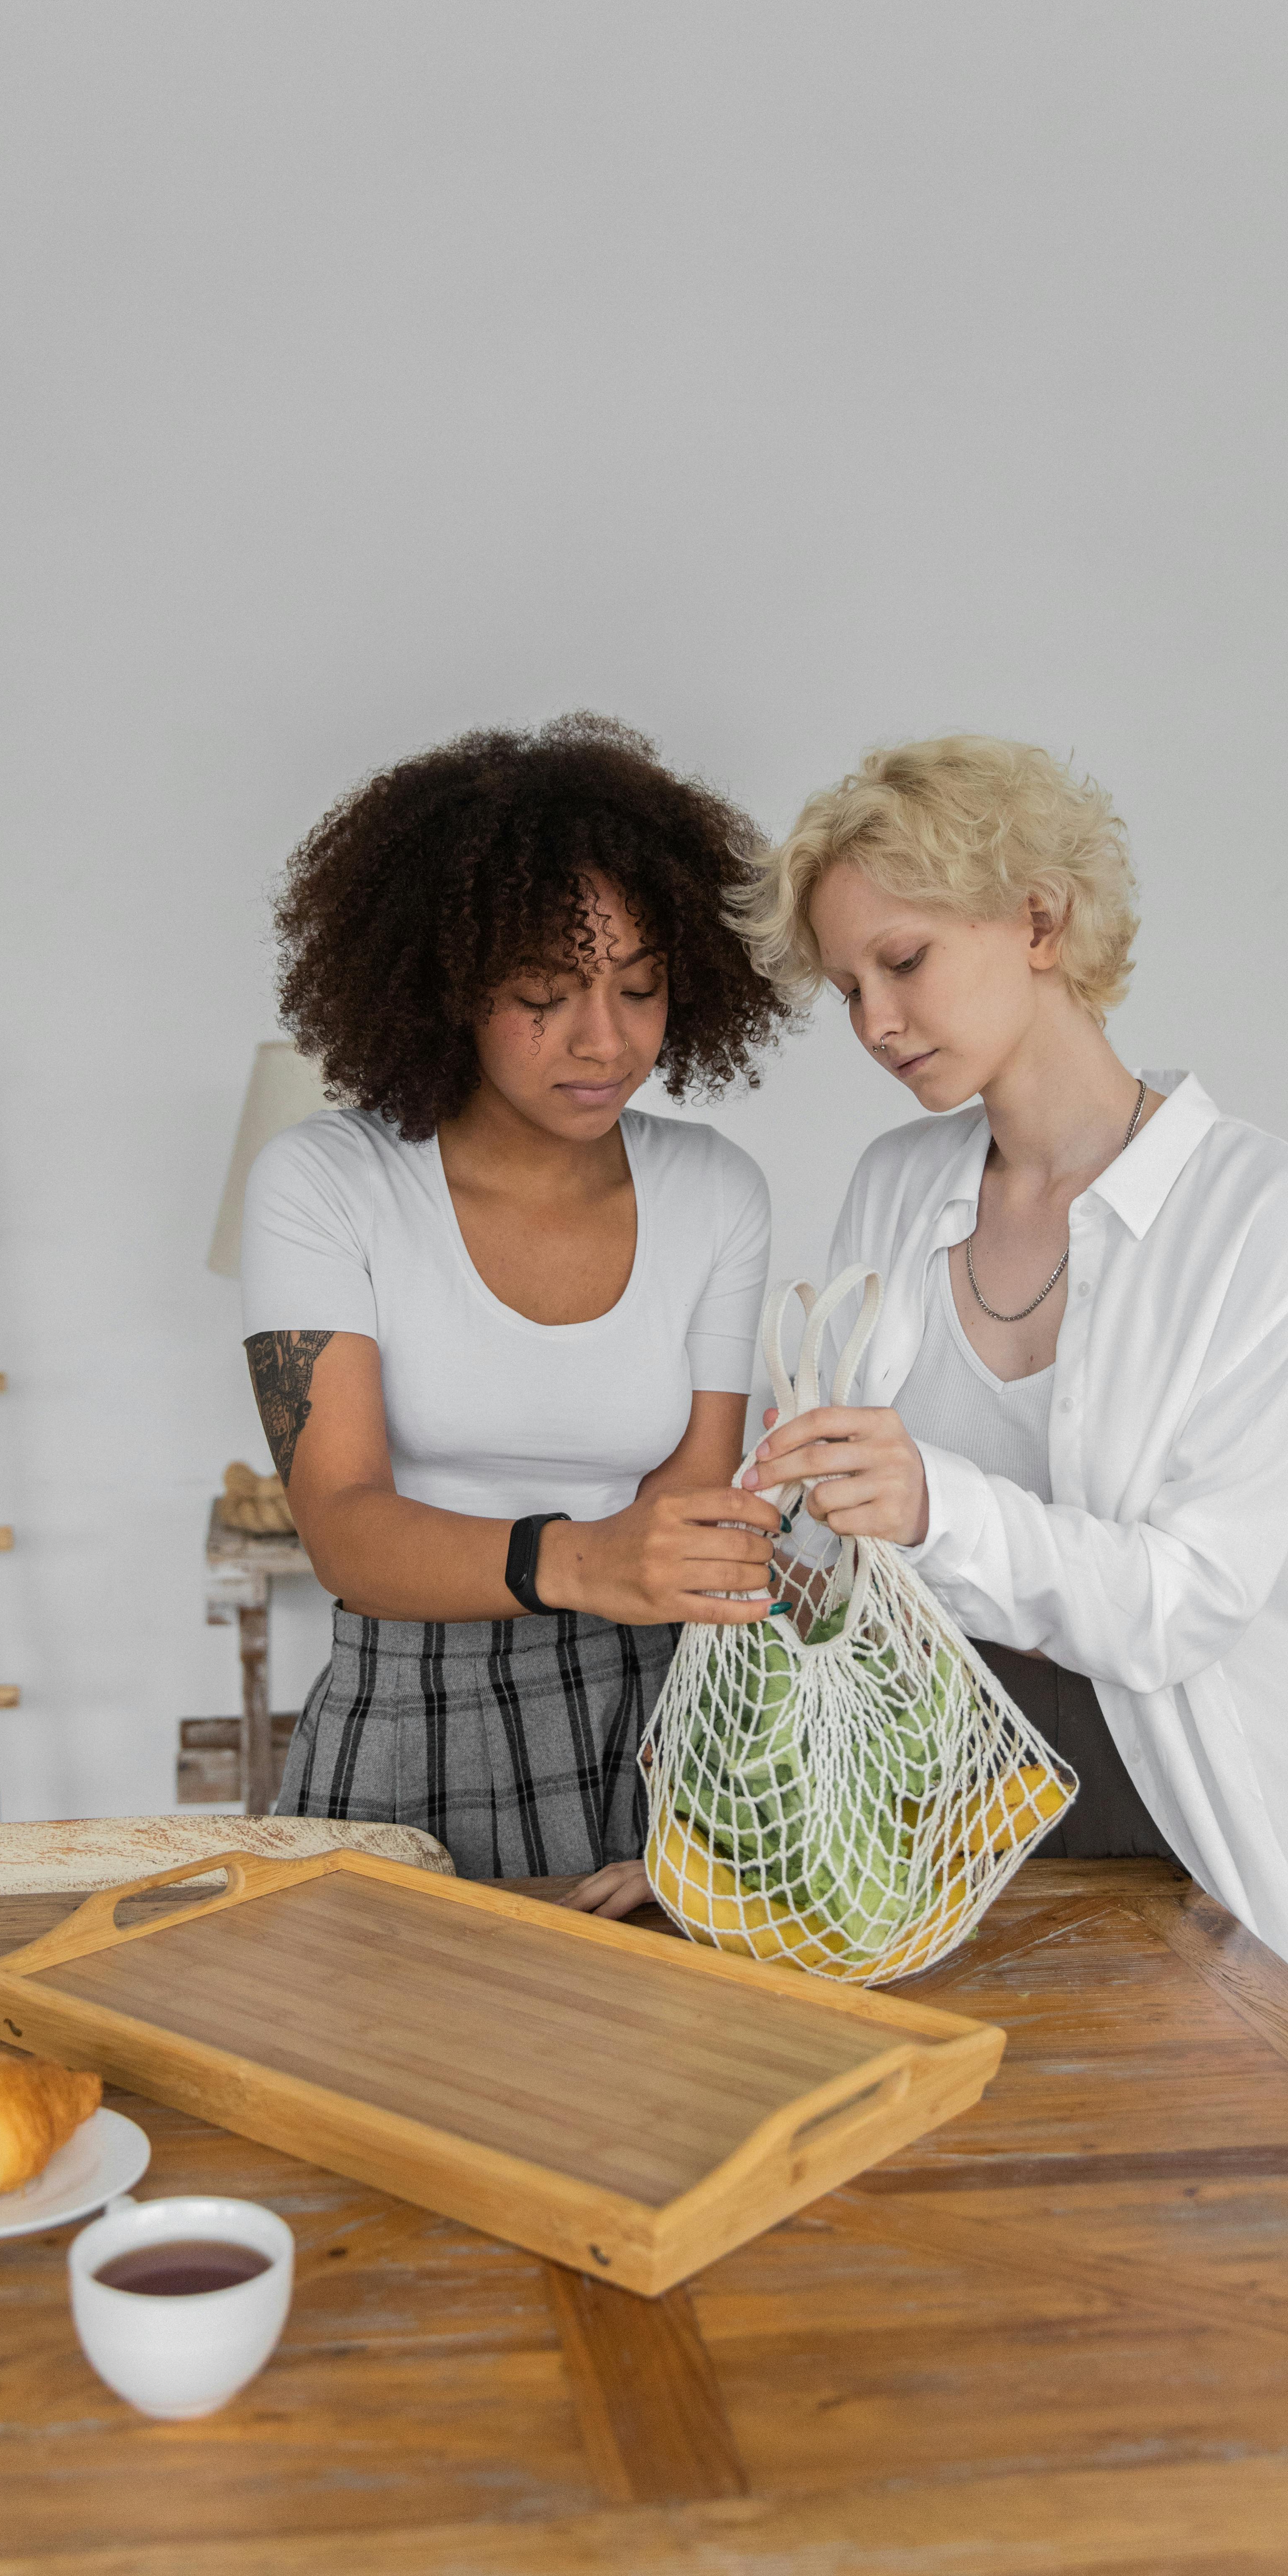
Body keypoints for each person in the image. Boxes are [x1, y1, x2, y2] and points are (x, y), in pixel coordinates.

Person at [731, 734, 1288, 2013]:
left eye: (902, 963)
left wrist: (931, 1503)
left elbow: (1186, 1605)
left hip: (1185, 1820)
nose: (875, 1024)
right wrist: (736, 1835)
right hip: (934, 1816)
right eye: (847, 989)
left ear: (1040, 917)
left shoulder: (1267, 1214)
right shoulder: (894, 1186)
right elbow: (830, 1561)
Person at [240, 712, 786, 1900]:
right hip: (408, 1708)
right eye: (545, 993)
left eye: (641, 990)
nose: (605, 1040)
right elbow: (343, 1525)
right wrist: (587, 1560)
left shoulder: (716, 1194)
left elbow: (691, 1514)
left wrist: (713, 1795)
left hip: (654, 1717)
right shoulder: (327, 1183)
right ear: (448, 986)